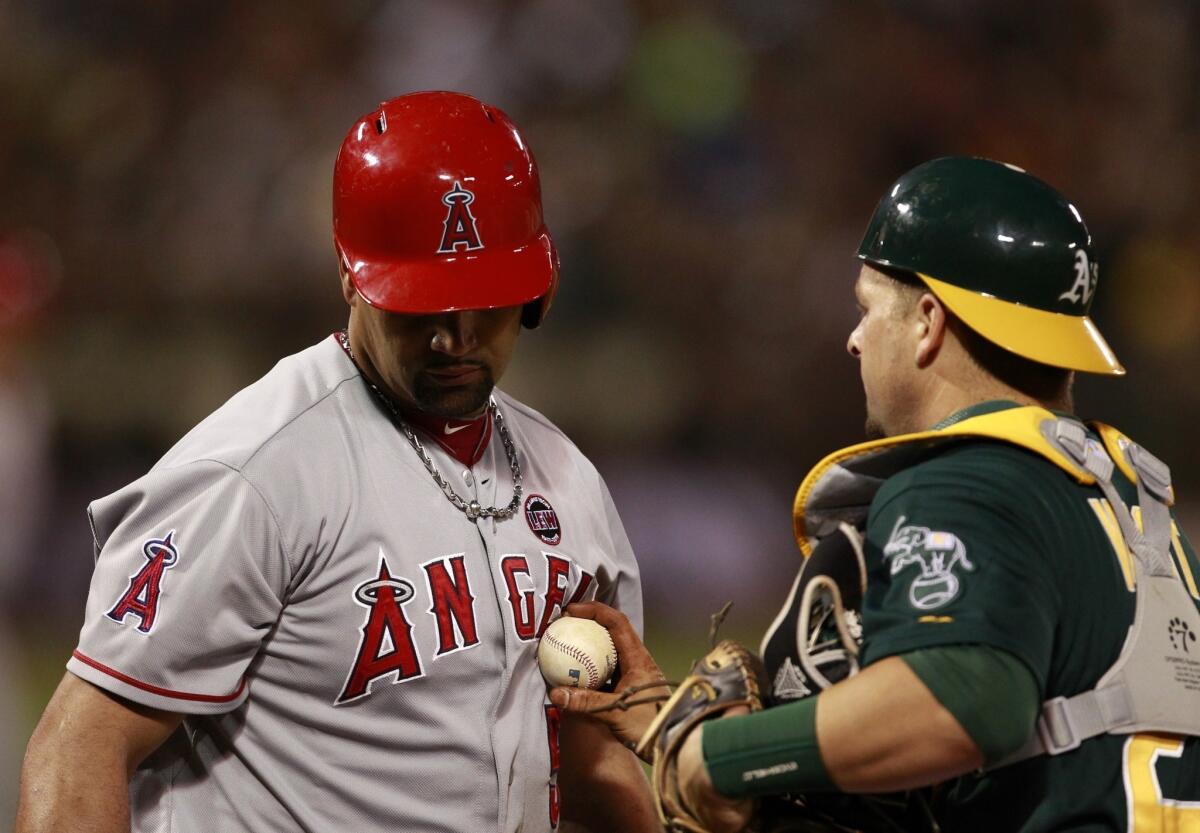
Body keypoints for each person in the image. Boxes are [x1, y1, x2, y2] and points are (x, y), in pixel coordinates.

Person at [16, 91, 659, 833]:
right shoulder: (255, 472)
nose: (455, 338)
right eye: (422, 305)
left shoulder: (567, 480)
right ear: (353, 276)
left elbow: (590, 759)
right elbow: (83, 738)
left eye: (483, 302)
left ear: (536, 288)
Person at [556, 157, 1200, 832]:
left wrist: (718, 755)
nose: (855, 338)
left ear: (927, 321)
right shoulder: (1128, 499)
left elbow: (969, 697)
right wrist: (670, 730)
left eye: (867, 307)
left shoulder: (970, 478)